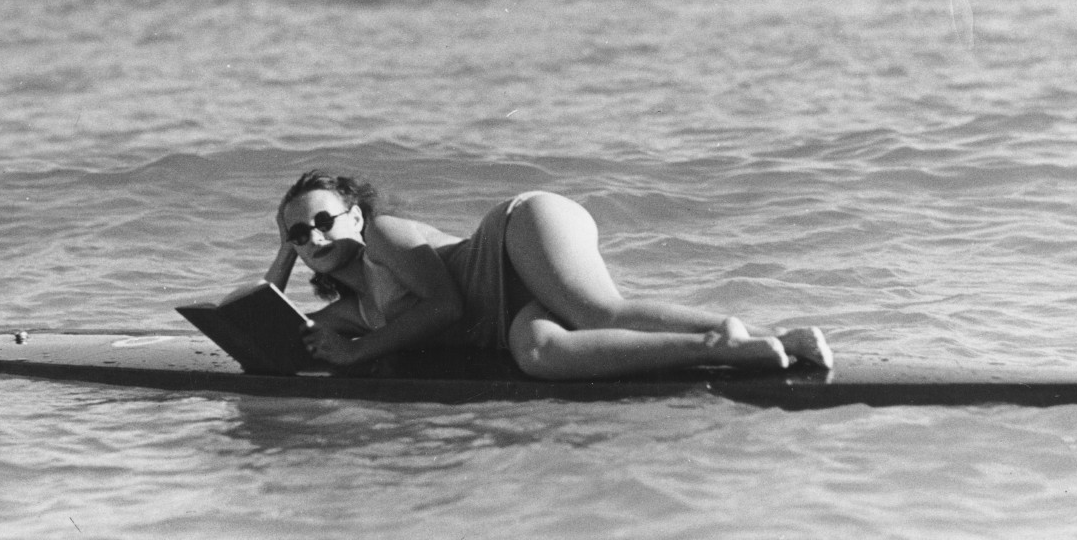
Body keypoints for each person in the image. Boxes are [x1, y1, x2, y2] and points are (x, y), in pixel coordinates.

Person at [262, 170, 833, 380]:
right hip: (511, 309)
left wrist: (359, 355)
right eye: (298, 234)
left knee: (596, 311)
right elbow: (271, 332)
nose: (314, 235)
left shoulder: (385, 238)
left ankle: (778, 336)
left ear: (356, 216)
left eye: (323, 221)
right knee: (541, 358)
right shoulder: (351, 311)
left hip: (518, 233)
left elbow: (446, 308)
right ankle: (724, 345)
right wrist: (285, 257)